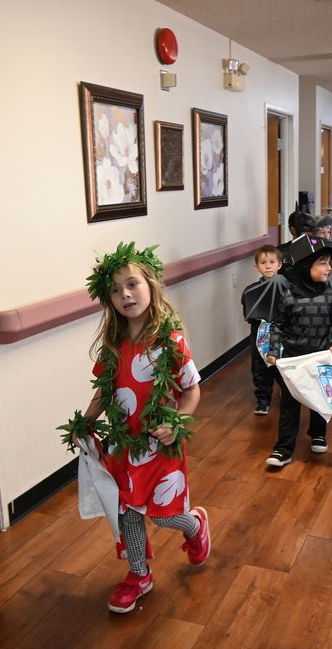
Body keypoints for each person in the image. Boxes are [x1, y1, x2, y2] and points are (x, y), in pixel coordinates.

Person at [76, 242, 211, 613]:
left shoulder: (171, 341)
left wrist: (176, 420)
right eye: (116, 290)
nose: (125, 294)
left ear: (151, 284)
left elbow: (191, 388)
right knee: (128, 511)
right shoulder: (113, 347)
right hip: (124, 446)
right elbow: (104, 393)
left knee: (163, 514)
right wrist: (85, 423)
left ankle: (194, 525)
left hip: (161, 446)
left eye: (132, 284)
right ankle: (139, 574)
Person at [264, 236, 332, 467]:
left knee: (318, 397)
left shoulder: (330, 294)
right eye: (323, 262)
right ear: (305, 265)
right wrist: (273, 351)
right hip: (293, 358)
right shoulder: (288, 295)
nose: (329, 267)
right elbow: (278, 325)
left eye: (329, 262)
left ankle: (318, 433)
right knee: (289, 404)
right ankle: (283, 449)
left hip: (320, 356)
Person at [242, 245, 283, 415]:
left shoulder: (287, 288)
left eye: (272, 262)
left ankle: (288, 395)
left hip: (282, 334)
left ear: (279, 265)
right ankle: (263, 400)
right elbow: (248, 313)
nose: (268, 266)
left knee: (282, 365)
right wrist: (256, 317)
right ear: (256, 266)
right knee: (260, 368)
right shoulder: (251, 290)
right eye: (263, 262)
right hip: (260, 334)